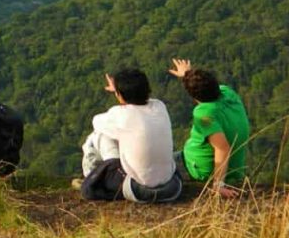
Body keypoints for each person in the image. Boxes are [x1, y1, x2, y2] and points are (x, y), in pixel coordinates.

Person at [77, 68, 182, 203]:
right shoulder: (160, 106)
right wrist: (122, 92)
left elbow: (96, 121)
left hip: (139, 190)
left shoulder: (122, 115)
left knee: (98, 136)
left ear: (120, 95)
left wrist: (119, 93)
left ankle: (91, 179)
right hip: (172, 187)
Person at [168, 58, 251, 198]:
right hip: (235, 170)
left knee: (155, 164)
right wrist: (187, 75)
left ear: (193, 95)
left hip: (200, 170)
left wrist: (218, 185)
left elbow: (223, 148)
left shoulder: (204, 113)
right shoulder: (229, 94)